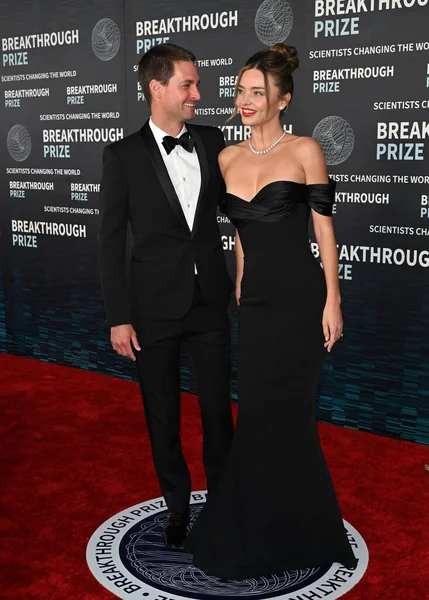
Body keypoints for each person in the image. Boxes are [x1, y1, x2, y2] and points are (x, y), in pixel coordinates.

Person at [184, 43, 357, 578]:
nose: (245, 100)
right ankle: (253, 525)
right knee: (257, 415)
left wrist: (333, 299)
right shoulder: (227, 158)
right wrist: (238, 281)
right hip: (255, 305)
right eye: (240, 91)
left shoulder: (305, 151)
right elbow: (239, 234)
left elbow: (324, 234)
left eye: (257, 93)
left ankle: (303, 528)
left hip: (302, 301)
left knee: (295, 417)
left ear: (283, 98)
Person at [98, 43, 234, 548]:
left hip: (210, 303)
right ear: (157, 89)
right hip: (152, 309)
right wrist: (118, 317)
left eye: (196, 85)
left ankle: (223, 504)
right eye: (188, 85)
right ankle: (177, 509)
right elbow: (110, 244)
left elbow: (241, 209)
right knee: (163, 415)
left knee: (219, 412)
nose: (198, 94)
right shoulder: (122, 155)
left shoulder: (213, 141)